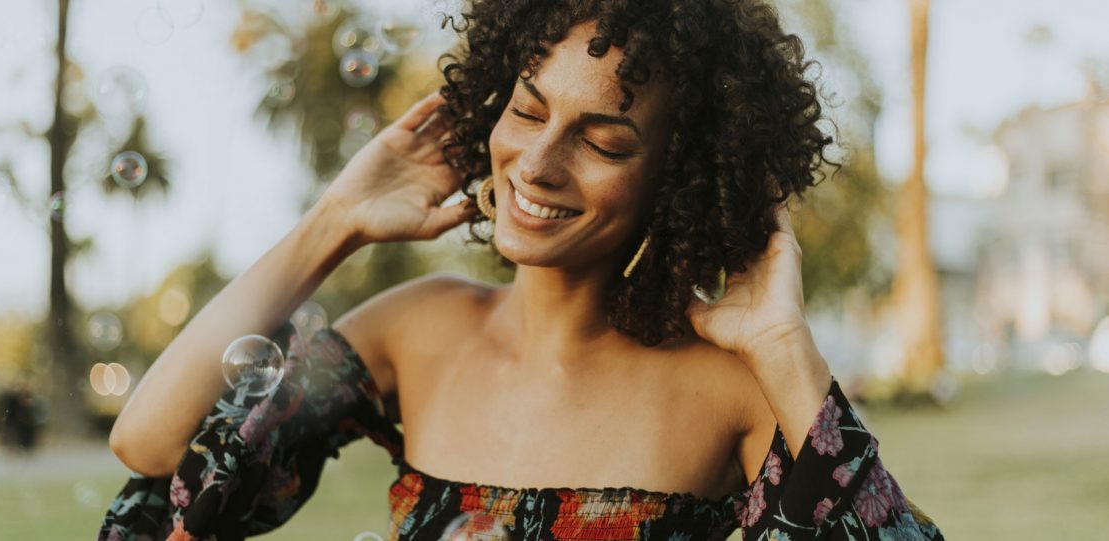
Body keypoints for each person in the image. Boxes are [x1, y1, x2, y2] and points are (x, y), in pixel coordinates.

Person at [101, 1, 945, 539]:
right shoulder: (415, 330)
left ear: (680, 174)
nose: (538, 163)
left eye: (603, 139)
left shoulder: (736, 388)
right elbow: (154, 453)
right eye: (528, 109)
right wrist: (335, 224)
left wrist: (786, 349)